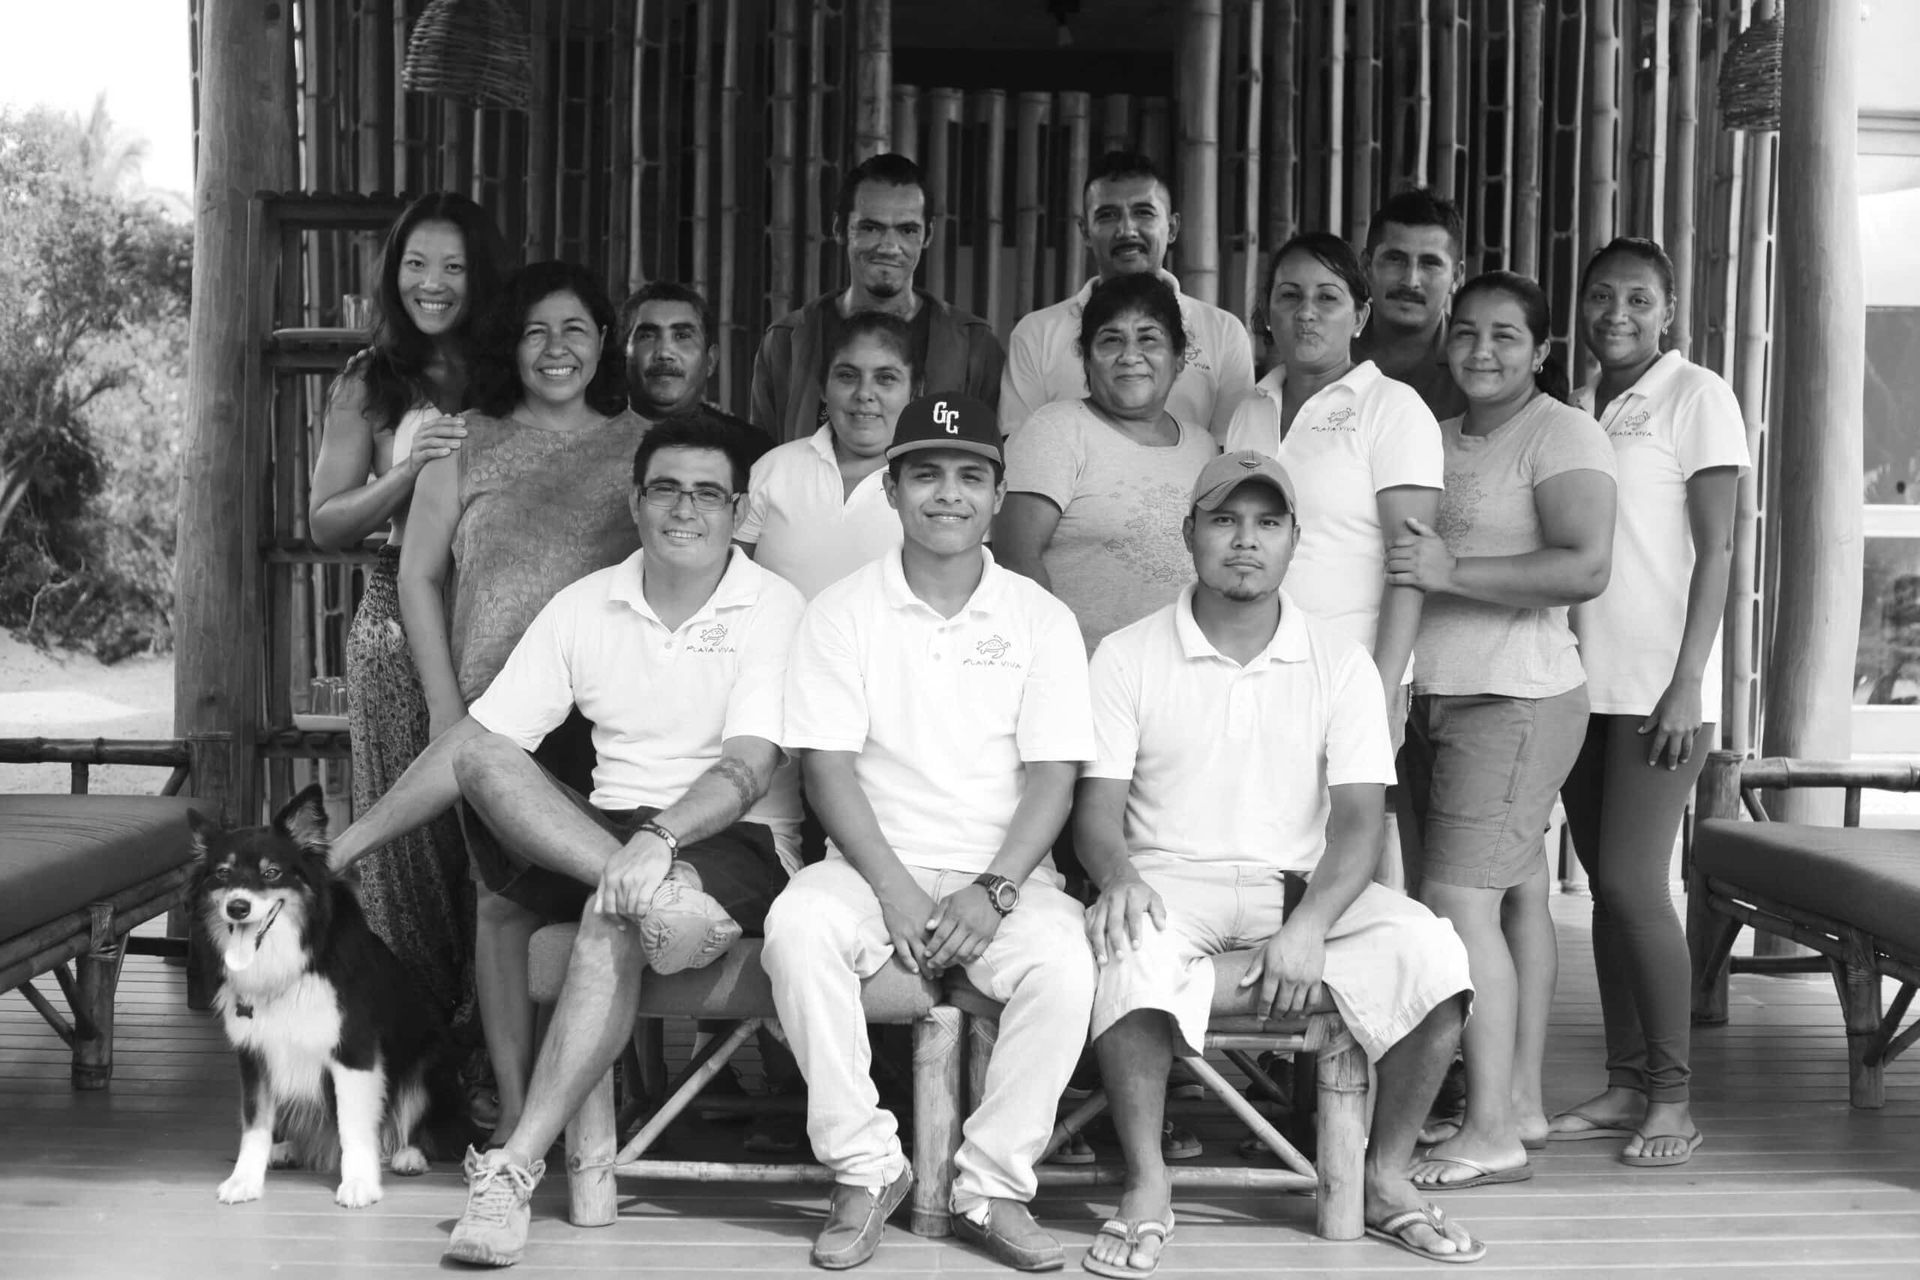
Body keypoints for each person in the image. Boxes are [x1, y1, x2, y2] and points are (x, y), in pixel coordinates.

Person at [323, 412, 806, 1268]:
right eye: (666, 489)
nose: (684, 510)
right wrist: (348, 845)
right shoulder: (588, 603)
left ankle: (511, 1170)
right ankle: (650, 898)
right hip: (614, 835)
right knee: (483, 752)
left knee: (605, 919)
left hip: (733, 837)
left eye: (706, 494)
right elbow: (476, 746)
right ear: (636, 500)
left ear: (737, 511)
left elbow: (749, 768)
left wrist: (658, 840)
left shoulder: (774, 607)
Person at [1078, 451, 1483, 1273]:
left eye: (1267, 523)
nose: (1245, 541)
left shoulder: (1340, 662)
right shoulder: (1125, 654)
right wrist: (1118, 877)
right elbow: (1096, 813)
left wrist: (1309, 926)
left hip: (1296, 887)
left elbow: (1362, 823)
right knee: (1129, 955)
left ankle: (1386, 1177)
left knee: (1436, 953)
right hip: (1168, 881)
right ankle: (1148, 1180)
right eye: (1225, 520)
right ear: (1189, 533)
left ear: (1295, 538)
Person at [762, 393, 1098, 1272]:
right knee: (798, 928)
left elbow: (1053, 778)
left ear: (996, 495)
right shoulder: (841, 611)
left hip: (1007, 874)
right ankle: (866, 1169)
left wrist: (995, 890)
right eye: (926, 475)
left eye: (969, 475)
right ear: (891, 489)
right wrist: (897, 889)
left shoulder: (1040, 618)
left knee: (1067, 964)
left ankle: (992, 1186)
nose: (947, 494)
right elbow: (827, 770)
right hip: (875, 866)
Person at [397, 259, 650, 1142]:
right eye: (537, 330)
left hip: (616, 720)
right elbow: (418, 577)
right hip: (494, 719)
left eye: (576, 329)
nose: (556, 348)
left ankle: (594, 1100)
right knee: (501, 904)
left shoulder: (643, 446)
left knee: (606, 896)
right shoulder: (464, 442)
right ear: (513, 342)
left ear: (603, 342)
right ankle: (511, 1104)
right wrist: (444, 713)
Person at [1388, 271, 1616, 1188]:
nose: (1482, 351)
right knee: (1515, 896)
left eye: (1507, 336)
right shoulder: (1437, 437)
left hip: (1513, 700)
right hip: (1443, 697)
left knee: (1459, 902)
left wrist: (1451, 571)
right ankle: (1518, 1100)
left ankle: (1489, 1129)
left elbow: (1586, 565)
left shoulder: (1563, 432)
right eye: (1469, 333)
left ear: (1543, 349)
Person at [306, 192, 510, 1113]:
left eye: (455, 267)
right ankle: (414, 1064)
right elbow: (323, 523)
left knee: (498, 843)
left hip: (508, 620)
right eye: (417, 264)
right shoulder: (370, 379)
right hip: (396, 622)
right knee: (407, 848)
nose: (434, 284)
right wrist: (405, 466)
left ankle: (490, 1052)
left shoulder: (508, 370)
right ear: (394, 273)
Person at [1549, 238, 1748, 1168]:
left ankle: (1673, 1097)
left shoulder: (1696, 396)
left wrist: (1687, 682)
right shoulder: (1581, 404)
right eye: (1599, 297)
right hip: (1576, 687)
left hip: (1654, 695)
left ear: (1668, 309)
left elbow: (1718, 553)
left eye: (1636, 299)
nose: (1615, 314)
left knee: (1634, 884)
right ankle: (1626, 1076)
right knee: (1604, 892)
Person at [1225, 231, 1442, 744]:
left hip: (1346, 677)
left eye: (1327, 297)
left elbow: (1408, 565)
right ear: (1268, 311)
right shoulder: (1249, 409)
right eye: (1290, 295)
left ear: (1360, 317)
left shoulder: (1392, 408)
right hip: (1244, 672)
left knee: (1338, 827)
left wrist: (1383, 690)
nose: (1307, 312)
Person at [997, 273, 1219, 653]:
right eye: (1110, 340)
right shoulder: (1056, 431)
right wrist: (1061, 665)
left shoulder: (1204, 448)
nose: (1130, 356)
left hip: (1182, 680)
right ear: (1085, 358)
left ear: (1180, 358)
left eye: (1148, 338)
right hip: (1082, 680)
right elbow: (1014, 560)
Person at [999, 150, 1254, 440]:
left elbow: (1232, 457)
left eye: (1143, 213)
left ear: (1172, 228)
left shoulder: (1223, 332)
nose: (1126, 230)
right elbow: (1020, 452)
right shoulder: (1036, 335)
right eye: (1107, 215)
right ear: (1084, 231)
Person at [750, 153, 1004, 442]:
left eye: (907, 230)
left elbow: (989, 461)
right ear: (839, 229)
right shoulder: (787, 340)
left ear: (928, 235)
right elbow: (761, 458)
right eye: (871, 228)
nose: (889, 247)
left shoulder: (974, 346)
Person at [737, 310, 916, 598]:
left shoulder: (935, 483)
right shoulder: (774, 469)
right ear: (822, 388)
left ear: (914, 391)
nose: (864, 393)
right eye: (847, 376)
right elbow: (731, 588)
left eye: (885, 378)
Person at [1355, 189, 1469, 422]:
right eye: (1395, 259)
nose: (1410, 281)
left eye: (1430, 264)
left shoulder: (1476, 363)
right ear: (1366, 266)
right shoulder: (1329, 351)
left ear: (1456, 277)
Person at [620, 280, 719, 421]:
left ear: (710, 361)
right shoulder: (591, 442)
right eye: (647, 336)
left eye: (682, 336)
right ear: (623, 354)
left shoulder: (746, 442)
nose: (664, 353)